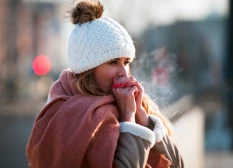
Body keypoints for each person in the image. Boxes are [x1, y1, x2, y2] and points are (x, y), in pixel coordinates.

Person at [26, 0, 184, 167]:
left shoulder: (133, 103)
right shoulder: (68, 114)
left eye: (126, 62)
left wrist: (142, 117)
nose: (124, 72)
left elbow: (177, 165)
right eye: (113, 62)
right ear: (89, 70)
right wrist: (128, 118)